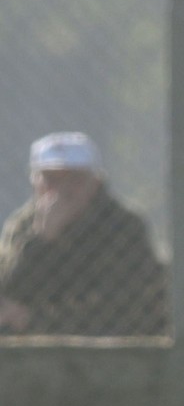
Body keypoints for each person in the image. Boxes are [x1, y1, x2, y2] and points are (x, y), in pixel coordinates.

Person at [0, 132, 168, 337]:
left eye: (74, 179)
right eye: (50, 179)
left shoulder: (122, 226)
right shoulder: (23, 225)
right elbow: (10, 291)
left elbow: (122, 310)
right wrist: (42, 238)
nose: (62, 189)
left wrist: (34, 320)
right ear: (34, 181)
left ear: (95, 182)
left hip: (111, 350)